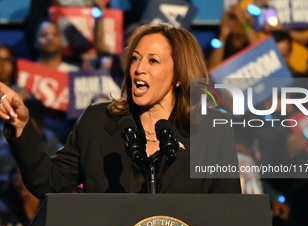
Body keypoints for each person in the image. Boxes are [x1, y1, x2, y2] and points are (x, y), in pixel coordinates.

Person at [0, 24, 241, 199]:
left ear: (179, 75)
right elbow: (47, 181)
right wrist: (21, 127)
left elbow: (227, 212)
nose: (139, 69)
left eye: (153, 61)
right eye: (135, 59)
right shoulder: (97, 122)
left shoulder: (211, 132)